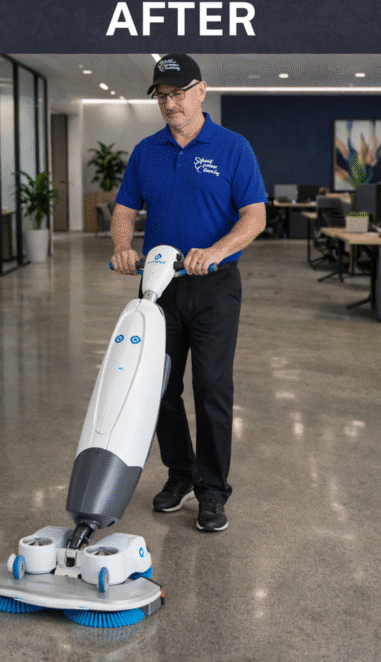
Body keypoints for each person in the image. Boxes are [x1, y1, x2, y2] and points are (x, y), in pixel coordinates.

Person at [109, 54, 266, 532]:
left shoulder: (233, 148)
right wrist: (122, 246)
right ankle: (181, 473)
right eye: (162, 96)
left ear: (201, 91)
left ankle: (213, 492)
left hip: (214, 288)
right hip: (158, 287)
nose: (169, 104)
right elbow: (124, 209)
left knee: (212, 389)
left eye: (178, 93)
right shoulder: (145, 150)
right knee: (159, 390)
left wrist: (216, 251)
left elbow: (254, 216)